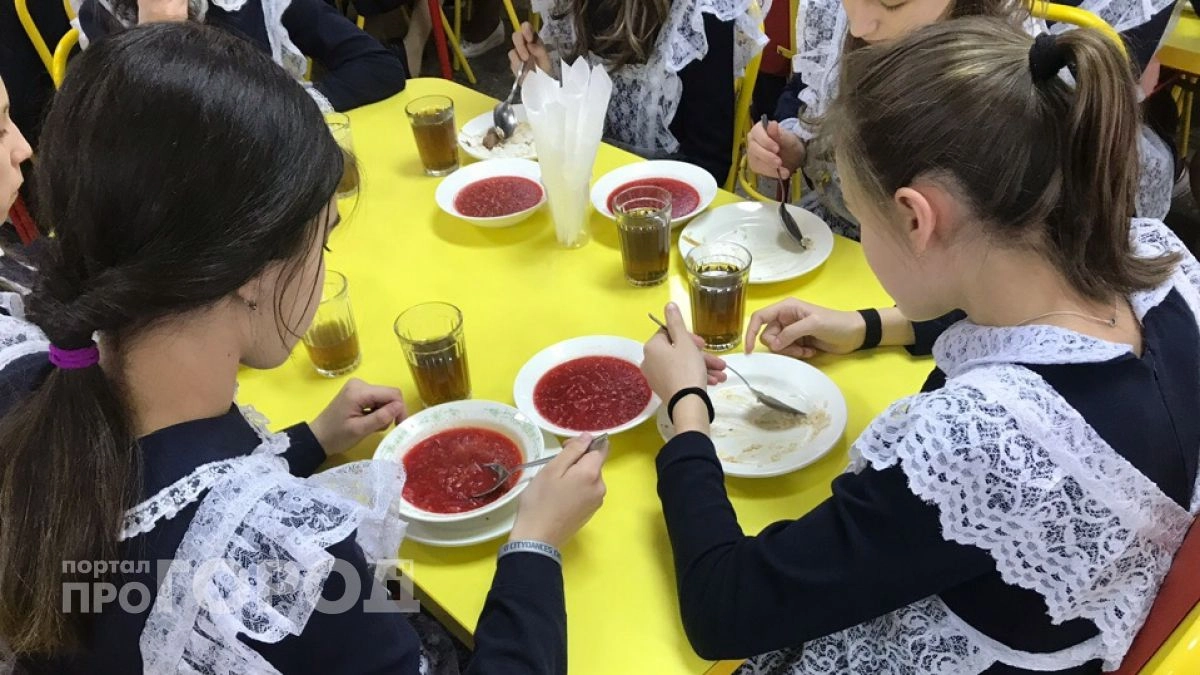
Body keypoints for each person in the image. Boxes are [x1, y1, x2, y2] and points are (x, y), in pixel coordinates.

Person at [0, 23, 606, 673]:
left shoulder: (41, 402)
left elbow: (170, 492)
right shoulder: (291, 564)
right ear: (254, 272)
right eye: (325, 238)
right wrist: (534, 546)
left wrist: (310, 439)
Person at [642, 17, 1199, 674]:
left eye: (862, 216)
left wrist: (684, 407)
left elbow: (723, 607)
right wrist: (874, 324)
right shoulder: (1163, 263)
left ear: (915, 217)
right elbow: (1025, 323)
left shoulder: (984, 441)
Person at [747, 0, 1177, 239]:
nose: (859, 22)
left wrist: (877, 324)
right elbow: (808, 93)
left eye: (894, 1)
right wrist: (795, 143)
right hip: (838, 247)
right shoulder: (847, 18)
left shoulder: (1000, 88)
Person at [508, 0, 770, 185]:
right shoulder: (568, 7)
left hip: (659, 211)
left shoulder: (699, 13)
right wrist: (545, 85)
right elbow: (571, 129)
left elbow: (710, 165)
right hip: (581, 188)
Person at [78, 0, 407, 111]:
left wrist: (291, 111)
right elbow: (150, 144)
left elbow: (377, 66)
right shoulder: (105, 15)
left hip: (280, 175)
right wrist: (160, 25)